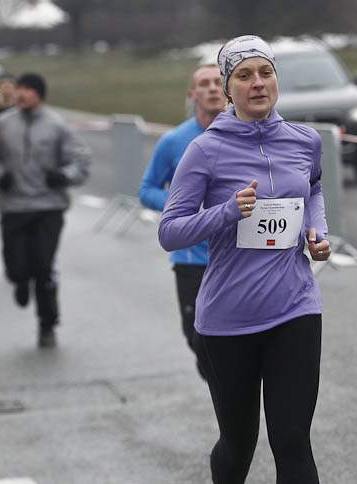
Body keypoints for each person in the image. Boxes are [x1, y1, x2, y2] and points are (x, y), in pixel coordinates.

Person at [158, 35, 332, 484]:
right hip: (228, 319)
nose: (258, 83)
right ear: (227, 88)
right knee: (238, 445)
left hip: (295, 308)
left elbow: (313, 189)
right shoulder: (205, 150)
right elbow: (170, 232)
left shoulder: (305, 140)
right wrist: (227, 211)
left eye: (266, 73)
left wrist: (317, 230)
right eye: (244, 76)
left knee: (292, 442)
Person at [0, 73, 91, 348]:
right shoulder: (2, 124)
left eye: (28, 90)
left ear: (40, 95)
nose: (21, 94)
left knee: (44, 267)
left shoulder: (56, 125)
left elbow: (80, 159)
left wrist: (63, 176)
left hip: (48, 206)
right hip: (14, 206)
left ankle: (47, 324)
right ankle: (21, 281)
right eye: (19, 89)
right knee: (16, 268)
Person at [139, 64, 226, 379]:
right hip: (191, 257)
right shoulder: (174, 141)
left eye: (218, 82)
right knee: (197, 337)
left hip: (234, 255)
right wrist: (181, 207)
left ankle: (230, 393)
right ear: (193, 94)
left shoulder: (243, 136)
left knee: (233, 339)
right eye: (204, 83)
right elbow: (147, 189)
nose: (212, 88)